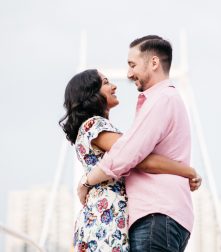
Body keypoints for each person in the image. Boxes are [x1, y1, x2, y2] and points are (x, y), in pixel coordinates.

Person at [78, 35, 201, 252]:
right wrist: (187, 171)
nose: (128, 74)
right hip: (166, 215)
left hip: (156, 214)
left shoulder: (161, 100)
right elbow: (136, 155)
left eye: (132, 65)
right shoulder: (167, 99)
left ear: (154, 63)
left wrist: (86, 182)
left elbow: (128, 155)